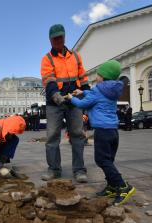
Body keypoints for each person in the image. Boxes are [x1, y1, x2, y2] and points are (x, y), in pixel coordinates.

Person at [65, 60, 136, 205]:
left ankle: (123, 187)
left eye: (98, 75)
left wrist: (72, 98)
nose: (96, 77)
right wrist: (83, 91)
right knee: (108, 160)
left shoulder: (98, 90)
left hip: (102, 131)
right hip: (113, 131)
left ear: (103, 77)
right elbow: (95, 94)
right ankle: (112, 186)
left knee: (101, 160)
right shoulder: (112, 90)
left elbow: (82, 104)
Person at [40, 24, 90, 183]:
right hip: (55, 103)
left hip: (74, 101)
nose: (58, 40)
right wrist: (56, 96)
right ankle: (54, 169)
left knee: (77, 134)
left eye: (60, 37)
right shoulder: (47, 59)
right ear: (50, 40)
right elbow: (49, 81)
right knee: (52, 136)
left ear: (64, 37)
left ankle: (79, 170)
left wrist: (87, 93)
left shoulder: (75, 56)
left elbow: (83, 77)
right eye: (55, 38)